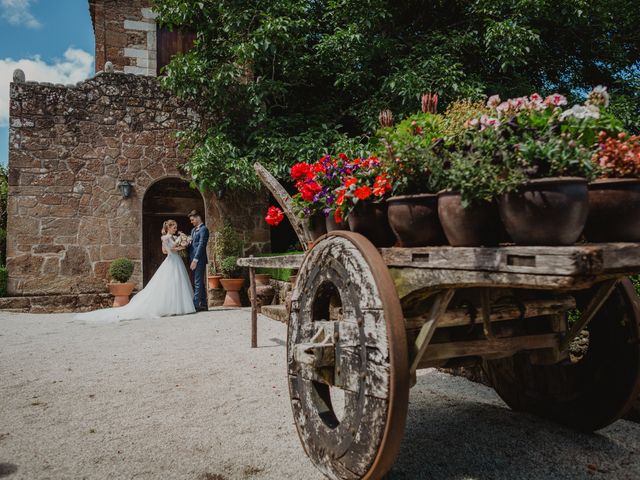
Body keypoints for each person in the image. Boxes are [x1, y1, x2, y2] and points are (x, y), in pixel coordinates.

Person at [75, 220, 195, 321]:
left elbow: (169, 249)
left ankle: (176, 307)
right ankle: (170, 307)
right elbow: (165, 251)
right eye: (174, 227)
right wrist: (179, 247)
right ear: (168, 227)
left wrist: (181, 244)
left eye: (176, 227)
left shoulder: (174, 237)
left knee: (176, 283)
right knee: (169, 283)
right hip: (171, 260)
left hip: (176, 260)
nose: (175, 229)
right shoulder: (165, 238)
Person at [188, 210, 210, 311]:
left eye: (192, 220)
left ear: (197, 218)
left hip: (199, 260)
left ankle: (196, 304)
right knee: (198, 281)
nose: (191, 222)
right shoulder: (193, 230)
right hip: (192, 259)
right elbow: (192, 244)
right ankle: (204, 304)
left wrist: (195, 260)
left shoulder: (204, 229)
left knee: (198, 281)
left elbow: (201, 245)